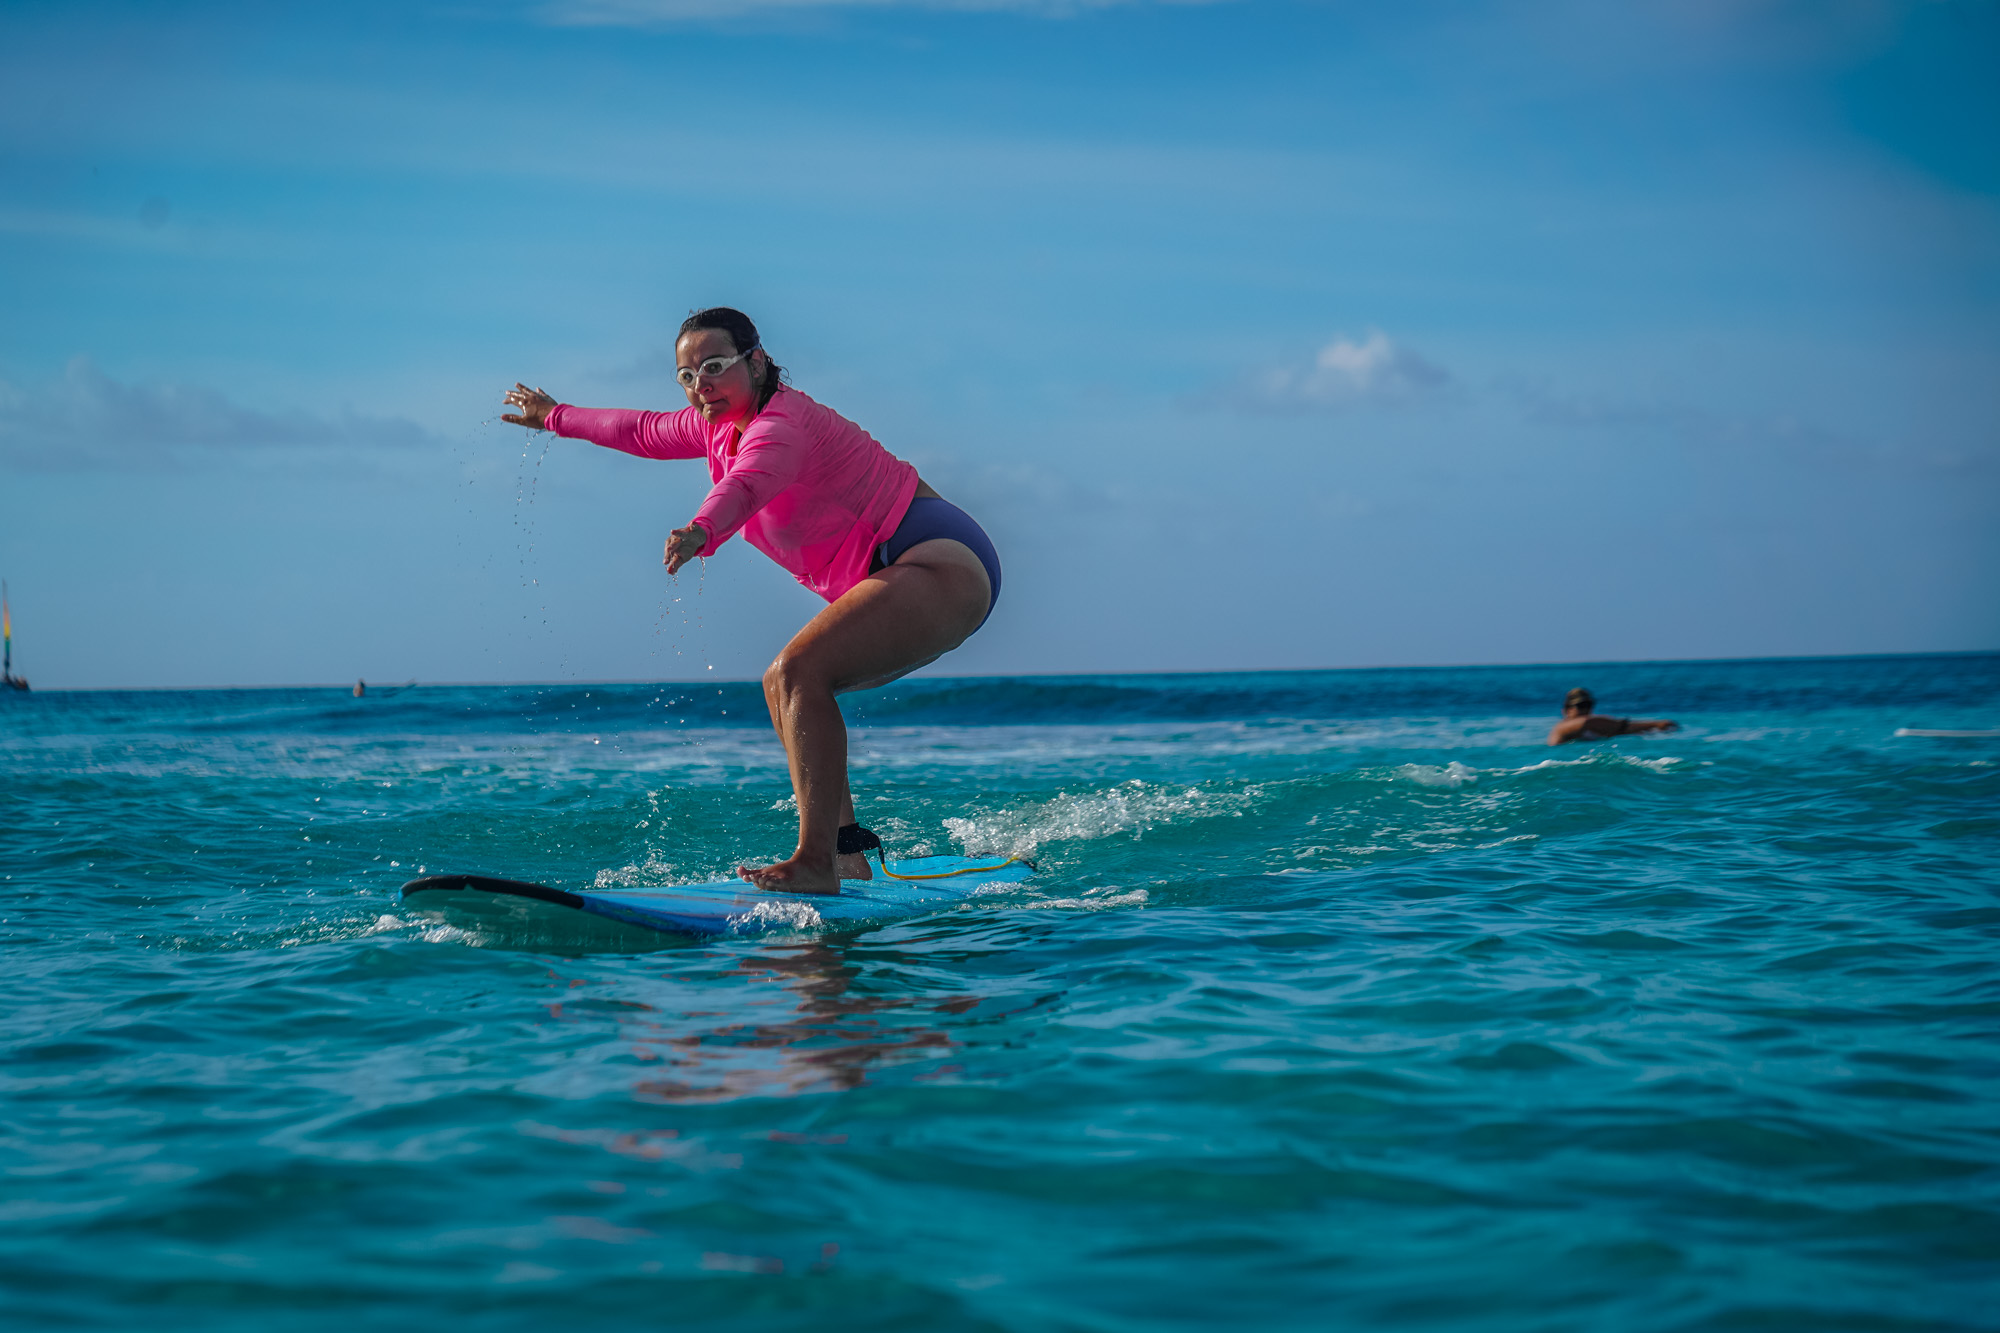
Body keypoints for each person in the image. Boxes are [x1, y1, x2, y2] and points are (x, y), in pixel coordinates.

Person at [501, 307, 1001, 895]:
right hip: (901, 569)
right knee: (783, 685)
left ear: (756, 362)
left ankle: (813, 862)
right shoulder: (717, 426)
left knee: (799, 672)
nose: (700, 385)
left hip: (938, 562)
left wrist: (702, 530)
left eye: (714, 367)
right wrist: (554, 416)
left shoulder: (781, 426)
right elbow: (640, 429)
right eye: (686, 376)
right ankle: (845, 856)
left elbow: (747, 483)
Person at [1548, 688, 1677, 746]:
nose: (1585, 709)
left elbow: (1619, 730)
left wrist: (1654, 729)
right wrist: (1654, 724)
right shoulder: (1562, 727)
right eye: (1580, 706)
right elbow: (1587, 722)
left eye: (1588, 705)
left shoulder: (1591, 730)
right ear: (1567, 710)